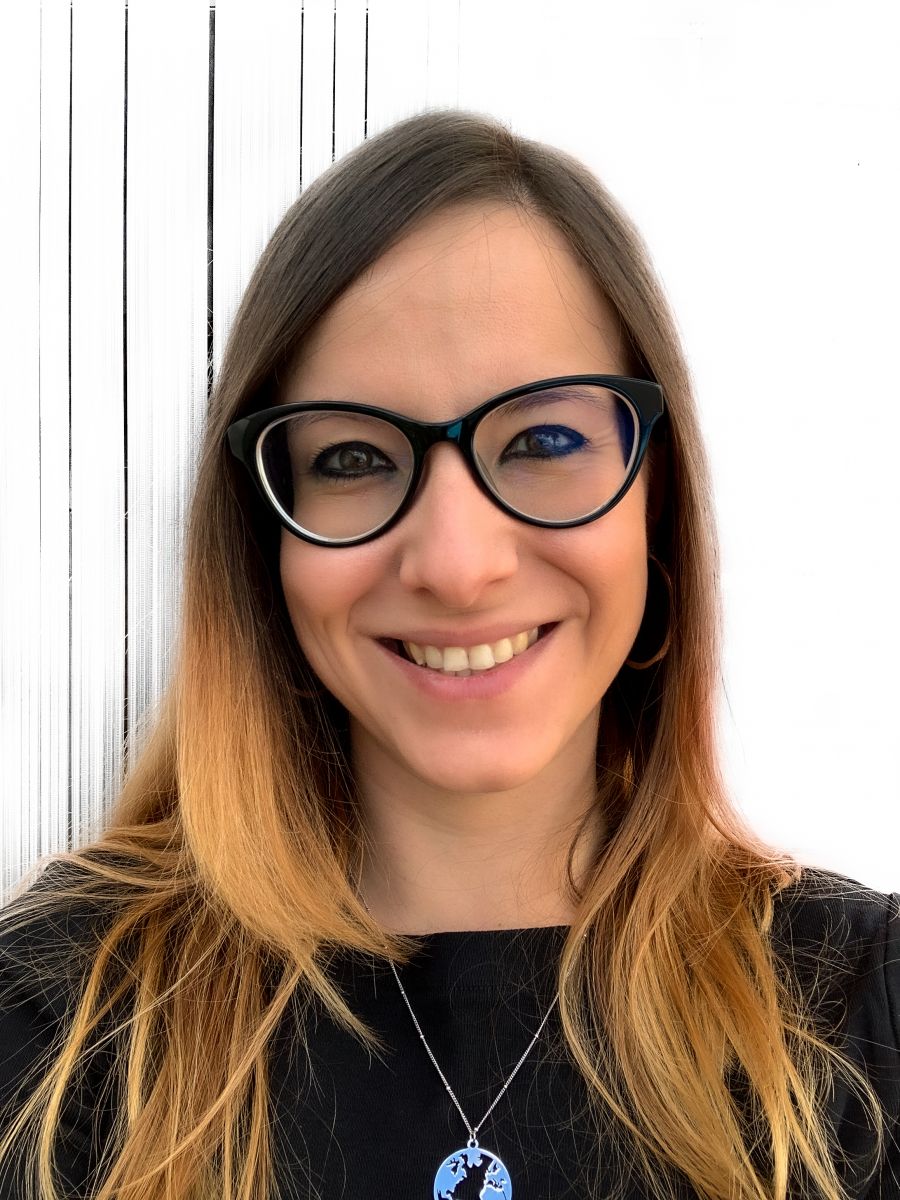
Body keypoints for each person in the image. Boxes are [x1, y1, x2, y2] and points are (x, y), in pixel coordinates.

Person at [0, 109, 897, 1200]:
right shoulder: (59, 1028)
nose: (459, 565)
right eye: (354, 458)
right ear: (262, 539)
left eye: (545, 441)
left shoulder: (865, 1008)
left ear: (654, 502)